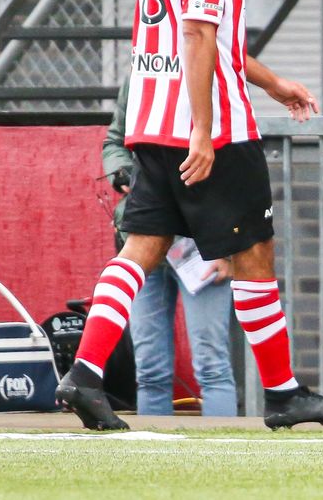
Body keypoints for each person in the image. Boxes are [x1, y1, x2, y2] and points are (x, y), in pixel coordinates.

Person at [56, 0, 323, 431]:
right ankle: (282, 394)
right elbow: (197, 32)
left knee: (139, 250)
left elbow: (193, 33)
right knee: (254, 252)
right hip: (210, 129)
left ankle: (84, 376)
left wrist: (273, 83)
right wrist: (202, 127)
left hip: (149, 120)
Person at [102, 78, 237, 417]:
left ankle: (224, 461)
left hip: (201, 243)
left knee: (211, 365)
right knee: (149, 371)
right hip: (142, 237)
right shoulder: (140, 76)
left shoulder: (214, 73)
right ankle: (152, 459)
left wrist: (228, 245)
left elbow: (236, 163)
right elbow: (115, 141)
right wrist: (125, 173)